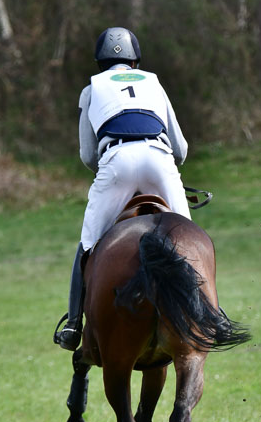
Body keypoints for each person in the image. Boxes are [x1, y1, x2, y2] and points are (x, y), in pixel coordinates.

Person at [54, 26, 191, 351]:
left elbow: (88, 155)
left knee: (88, 243)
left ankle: (74, 324)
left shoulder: (92, 88)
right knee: (188, 237)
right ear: (136, 60)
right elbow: (181, 149)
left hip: (116, 162)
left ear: (100, 60)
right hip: (159, 161)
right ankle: (204, 311)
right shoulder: (153, 82)